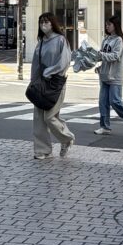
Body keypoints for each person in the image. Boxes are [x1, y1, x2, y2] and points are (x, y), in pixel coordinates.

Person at [30, 12, 75, 160]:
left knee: (50, 116)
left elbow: (65, 62)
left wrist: (50, 71)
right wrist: (33, 81)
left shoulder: (61, 40)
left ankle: (66, 138)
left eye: (46, 22)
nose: (44, 25)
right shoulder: (41, 41)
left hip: (56, 83)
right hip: (41, 83)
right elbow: (36, 64)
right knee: (39, 118)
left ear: (52, 23)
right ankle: (42, 151)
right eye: (41, 22)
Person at [94, 14, 123, 135]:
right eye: (106, 25)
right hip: (104, 74)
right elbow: (103, 56)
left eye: (109, 25)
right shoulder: (106, 39)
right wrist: (100, 66)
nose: (107, 27)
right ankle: (105, 127)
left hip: (115, 75)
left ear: (115, 25)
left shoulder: (119, 40)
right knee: (103, 102)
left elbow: (115, 56)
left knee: (115, 101)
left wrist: (100, 55)